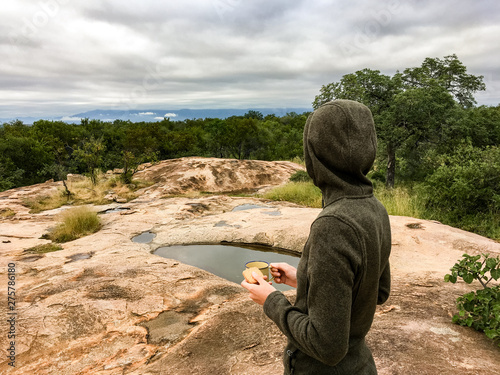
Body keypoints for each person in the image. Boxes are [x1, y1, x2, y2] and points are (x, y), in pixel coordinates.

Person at [241, 99, 391, 374]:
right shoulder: (375, 209)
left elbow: (327, 346)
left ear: (315, 156)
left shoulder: (333, 225)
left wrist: (271, 300)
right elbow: (376, 291)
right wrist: (306, 278)